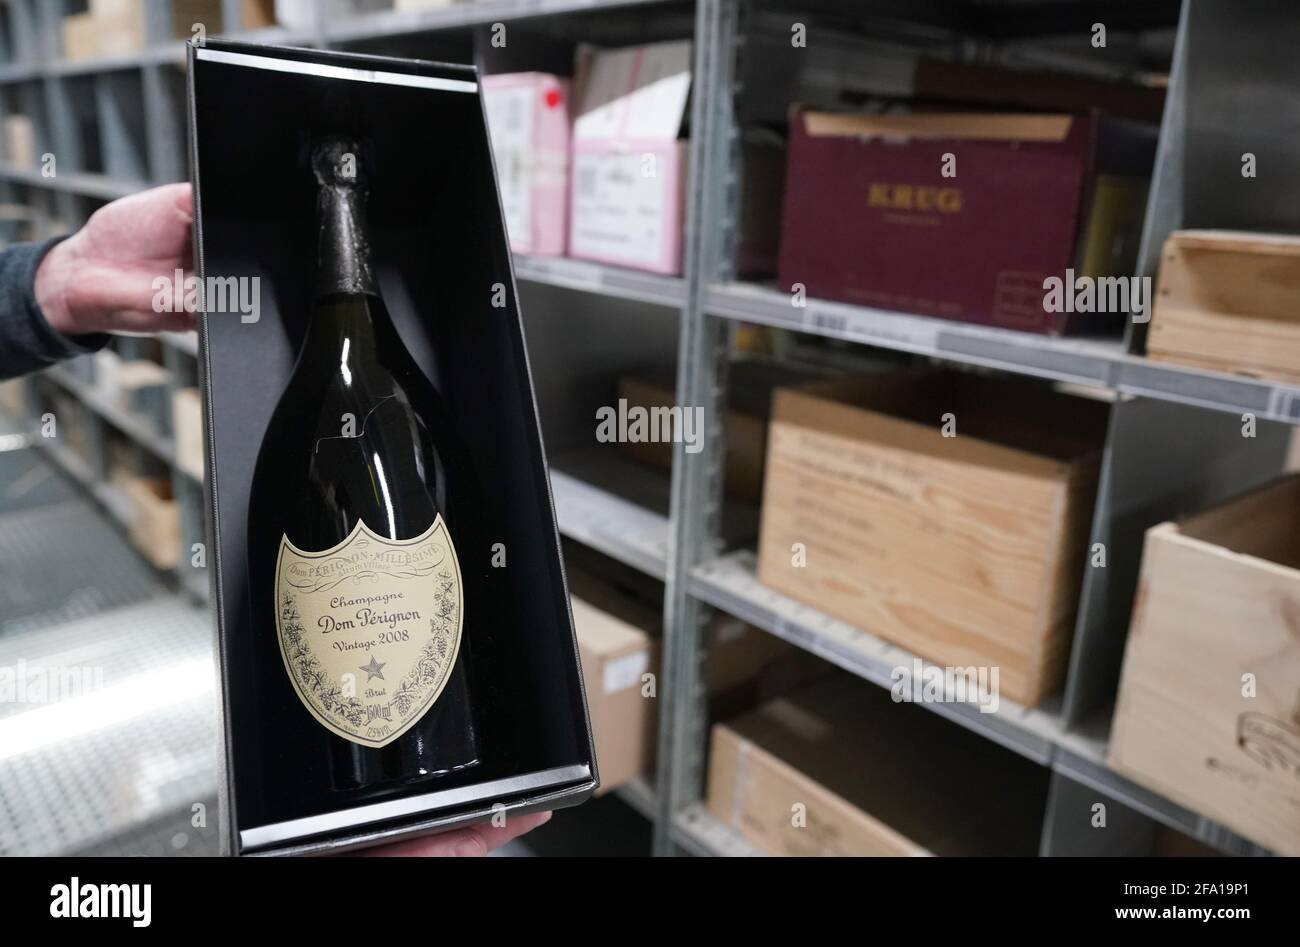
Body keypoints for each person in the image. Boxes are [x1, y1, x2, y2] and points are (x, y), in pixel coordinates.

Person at [3, 182, 549, 856]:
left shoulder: (388, 395)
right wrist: (58, 284)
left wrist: (59, 281)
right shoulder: (312, 407)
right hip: (344, 770)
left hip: (460, 749)